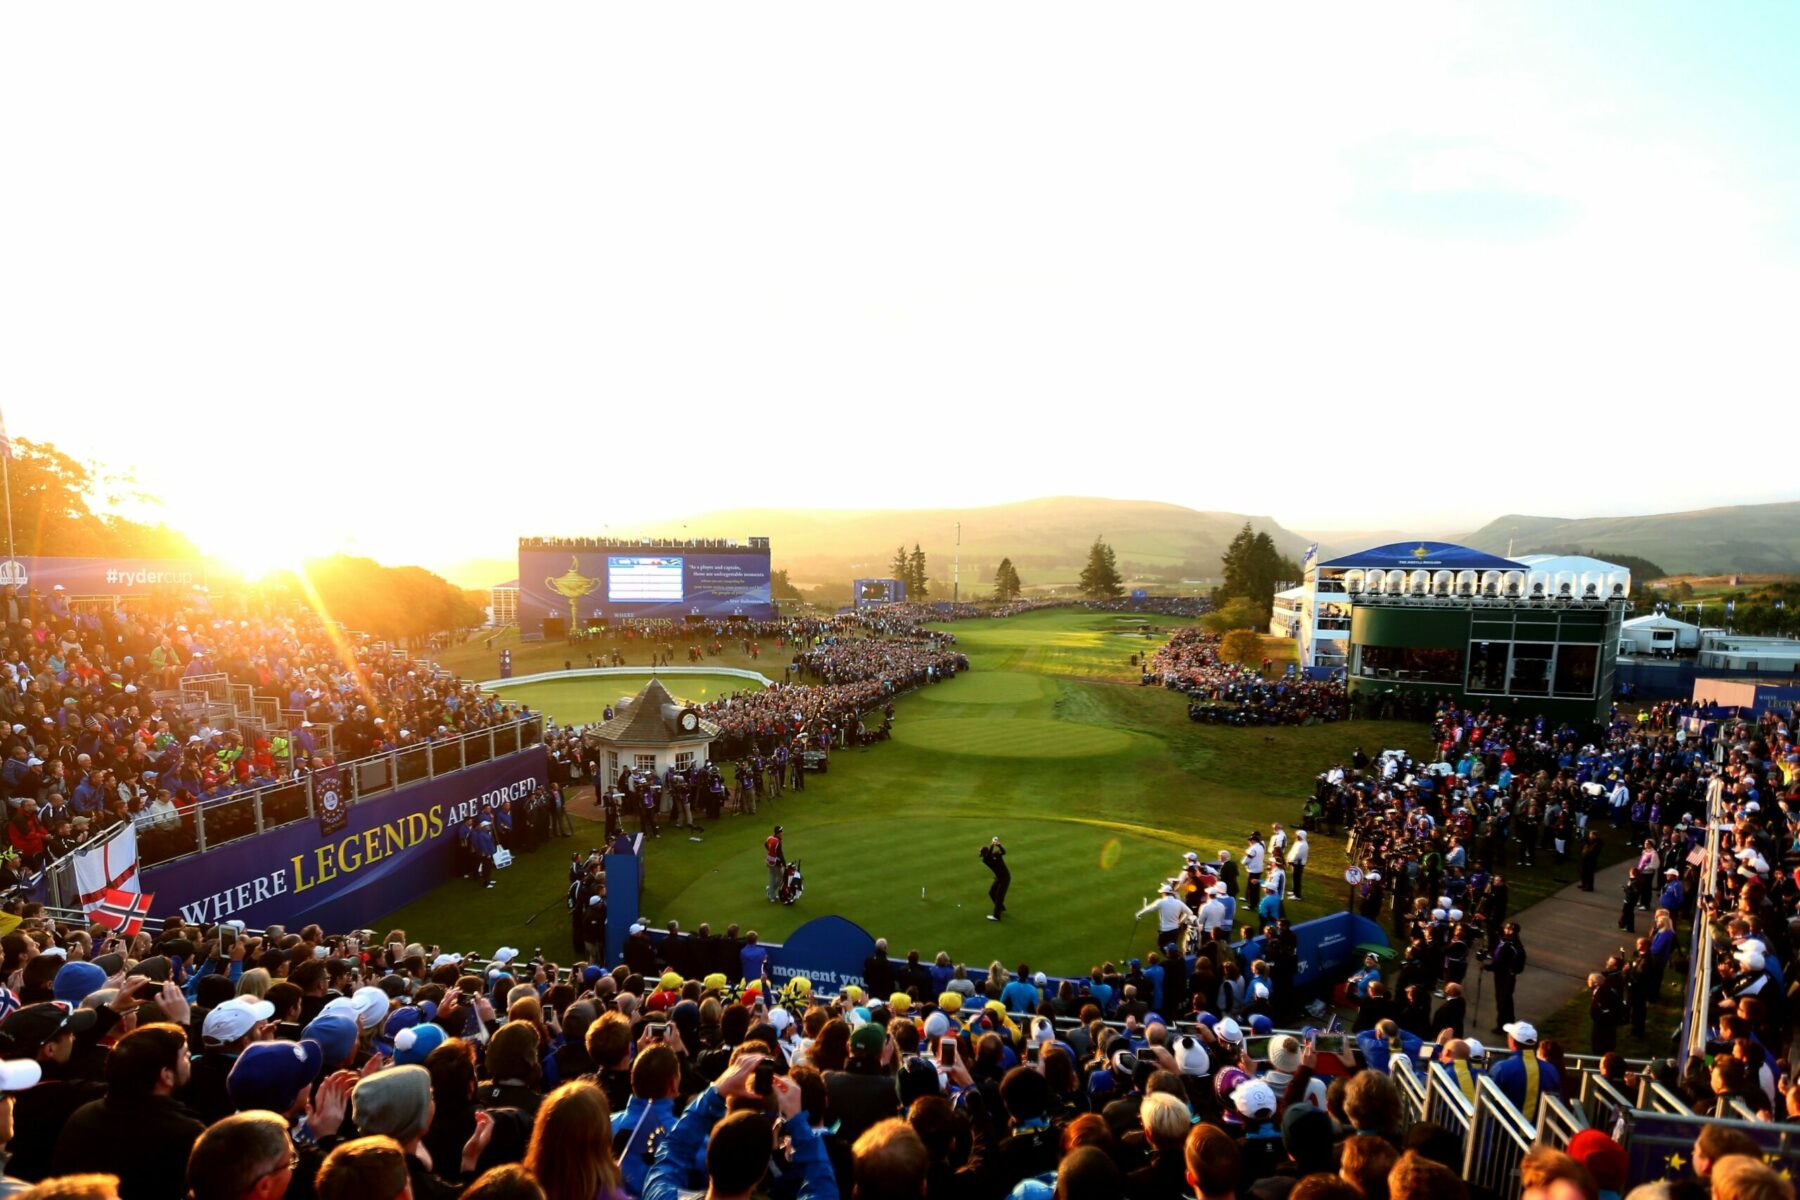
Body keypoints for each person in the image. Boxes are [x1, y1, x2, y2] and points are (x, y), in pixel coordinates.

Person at [641, 1053, 835, 1200]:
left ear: (709, 1156)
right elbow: (823, 1188)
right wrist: (798, 1122)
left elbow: (673, 1151)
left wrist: (714, 1092)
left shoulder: (660, 1195)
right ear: (760, 1175)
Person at [53, 1024, 205, 1200]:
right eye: (185, 1056)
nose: (189, 1059)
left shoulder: (82, 1117)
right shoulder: (186, 1133)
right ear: (166, 1075)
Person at [1488, 1022, 1559, 1117]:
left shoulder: (1501, 1068)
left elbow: (1487, 1099)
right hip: (1539, 1130)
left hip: (1506, 1128)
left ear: (1512, 1042)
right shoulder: (1551, 1070)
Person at [1486, 922, 1526, 1032]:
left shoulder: (1513, 945)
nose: (1507, 931)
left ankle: (1502, 1025)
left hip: (1506, 976)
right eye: (1506, 928)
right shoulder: (1504, 941)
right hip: (1500, 975)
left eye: (1510, 930)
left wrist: (1487, 967)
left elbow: (1501, 963)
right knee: (1506, 1000)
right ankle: (1509, 1021)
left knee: (1502, 1001)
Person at [981, 837, 1010, 921]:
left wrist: (997, 845)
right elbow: (991, 855)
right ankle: (1001, 907)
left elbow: (1003, 852)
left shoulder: (990, 857)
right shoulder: (987, 859)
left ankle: (996, 916)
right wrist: (994, 845)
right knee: (992, 892)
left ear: (984, 853)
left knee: (999, 897)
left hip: (1004, 878)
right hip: (999, 878)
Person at [765, 826, 785, 903]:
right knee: (780, 877)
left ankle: (770, 890)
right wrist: (784, 863)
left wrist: (770, 851)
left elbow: (765, 844)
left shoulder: (770, 838)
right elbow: (780, 854)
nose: (782, 833)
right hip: (774, 863)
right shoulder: (778, 842)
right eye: (781, 831)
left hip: (768, 860)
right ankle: (771, 894)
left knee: (773, 877)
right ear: (778, 833)